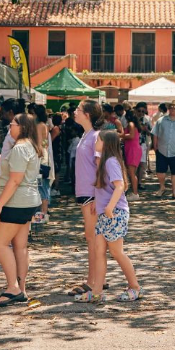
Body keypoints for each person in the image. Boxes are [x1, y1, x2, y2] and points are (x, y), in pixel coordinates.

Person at [75, 130, 141, 303]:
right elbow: (105, 188)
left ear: (105, 143)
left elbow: (119, 186)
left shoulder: (111, 162)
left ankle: (135, 287)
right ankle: (96, 291)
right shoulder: (105, 161)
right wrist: (98, 204)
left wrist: (109, 208)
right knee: (99, 251)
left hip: (114, 213)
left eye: (98, 140)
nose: (95, 142)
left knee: (116, 252)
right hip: (105, 213)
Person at [0, 113, 43, 306]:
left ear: (21, 127)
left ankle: (12, 287)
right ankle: (20, 289)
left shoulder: (20, 148)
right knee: (20, 246)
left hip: (16, 201)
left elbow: (14, 180)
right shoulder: (30, 146)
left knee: (0, 243)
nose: (9, 127)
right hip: (28, 201)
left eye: (12, 124)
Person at [69, 100, 103, 297]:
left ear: (88, 114)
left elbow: (101, 167)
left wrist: (98, 196)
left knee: (93, 239)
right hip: (85, 193)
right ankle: (96, 278)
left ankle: (93, 281)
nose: (75, 112)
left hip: (91, 194)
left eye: (79, 109)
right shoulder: (87, 135)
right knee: (91, 238)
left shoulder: (95, 136)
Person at [32, 105, 52, 223]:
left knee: (42, 186)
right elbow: (44, 143)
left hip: (40, 157)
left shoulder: (39, 126)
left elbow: (39, 142)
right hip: (44, 156)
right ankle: (43, 213)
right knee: (43, 185)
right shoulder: (45, 125)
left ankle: (43, 214)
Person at [121, 110, 141, 200]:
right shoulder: (134, 124)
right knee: (131, 172)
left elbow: (131, 136)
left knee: (132, 173)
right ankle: (134, 192)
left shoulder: (131, 124)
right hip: (132, 149)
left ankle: (135, 193)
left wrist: (120, 135)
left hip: (132, 150)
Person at [134, 102, 152, 185]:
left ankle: (139, 182)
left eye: (143, 111)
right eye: (139, 111)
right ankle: (133, 182)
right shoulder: (132, 119)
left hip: (142, 144)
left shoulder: (147, 119)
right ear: (136, 110)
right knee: (134, 164)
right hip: (133, 144)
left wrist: (146, 130)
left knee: (141, 164)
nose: (141, 113)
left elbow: (150, 133)